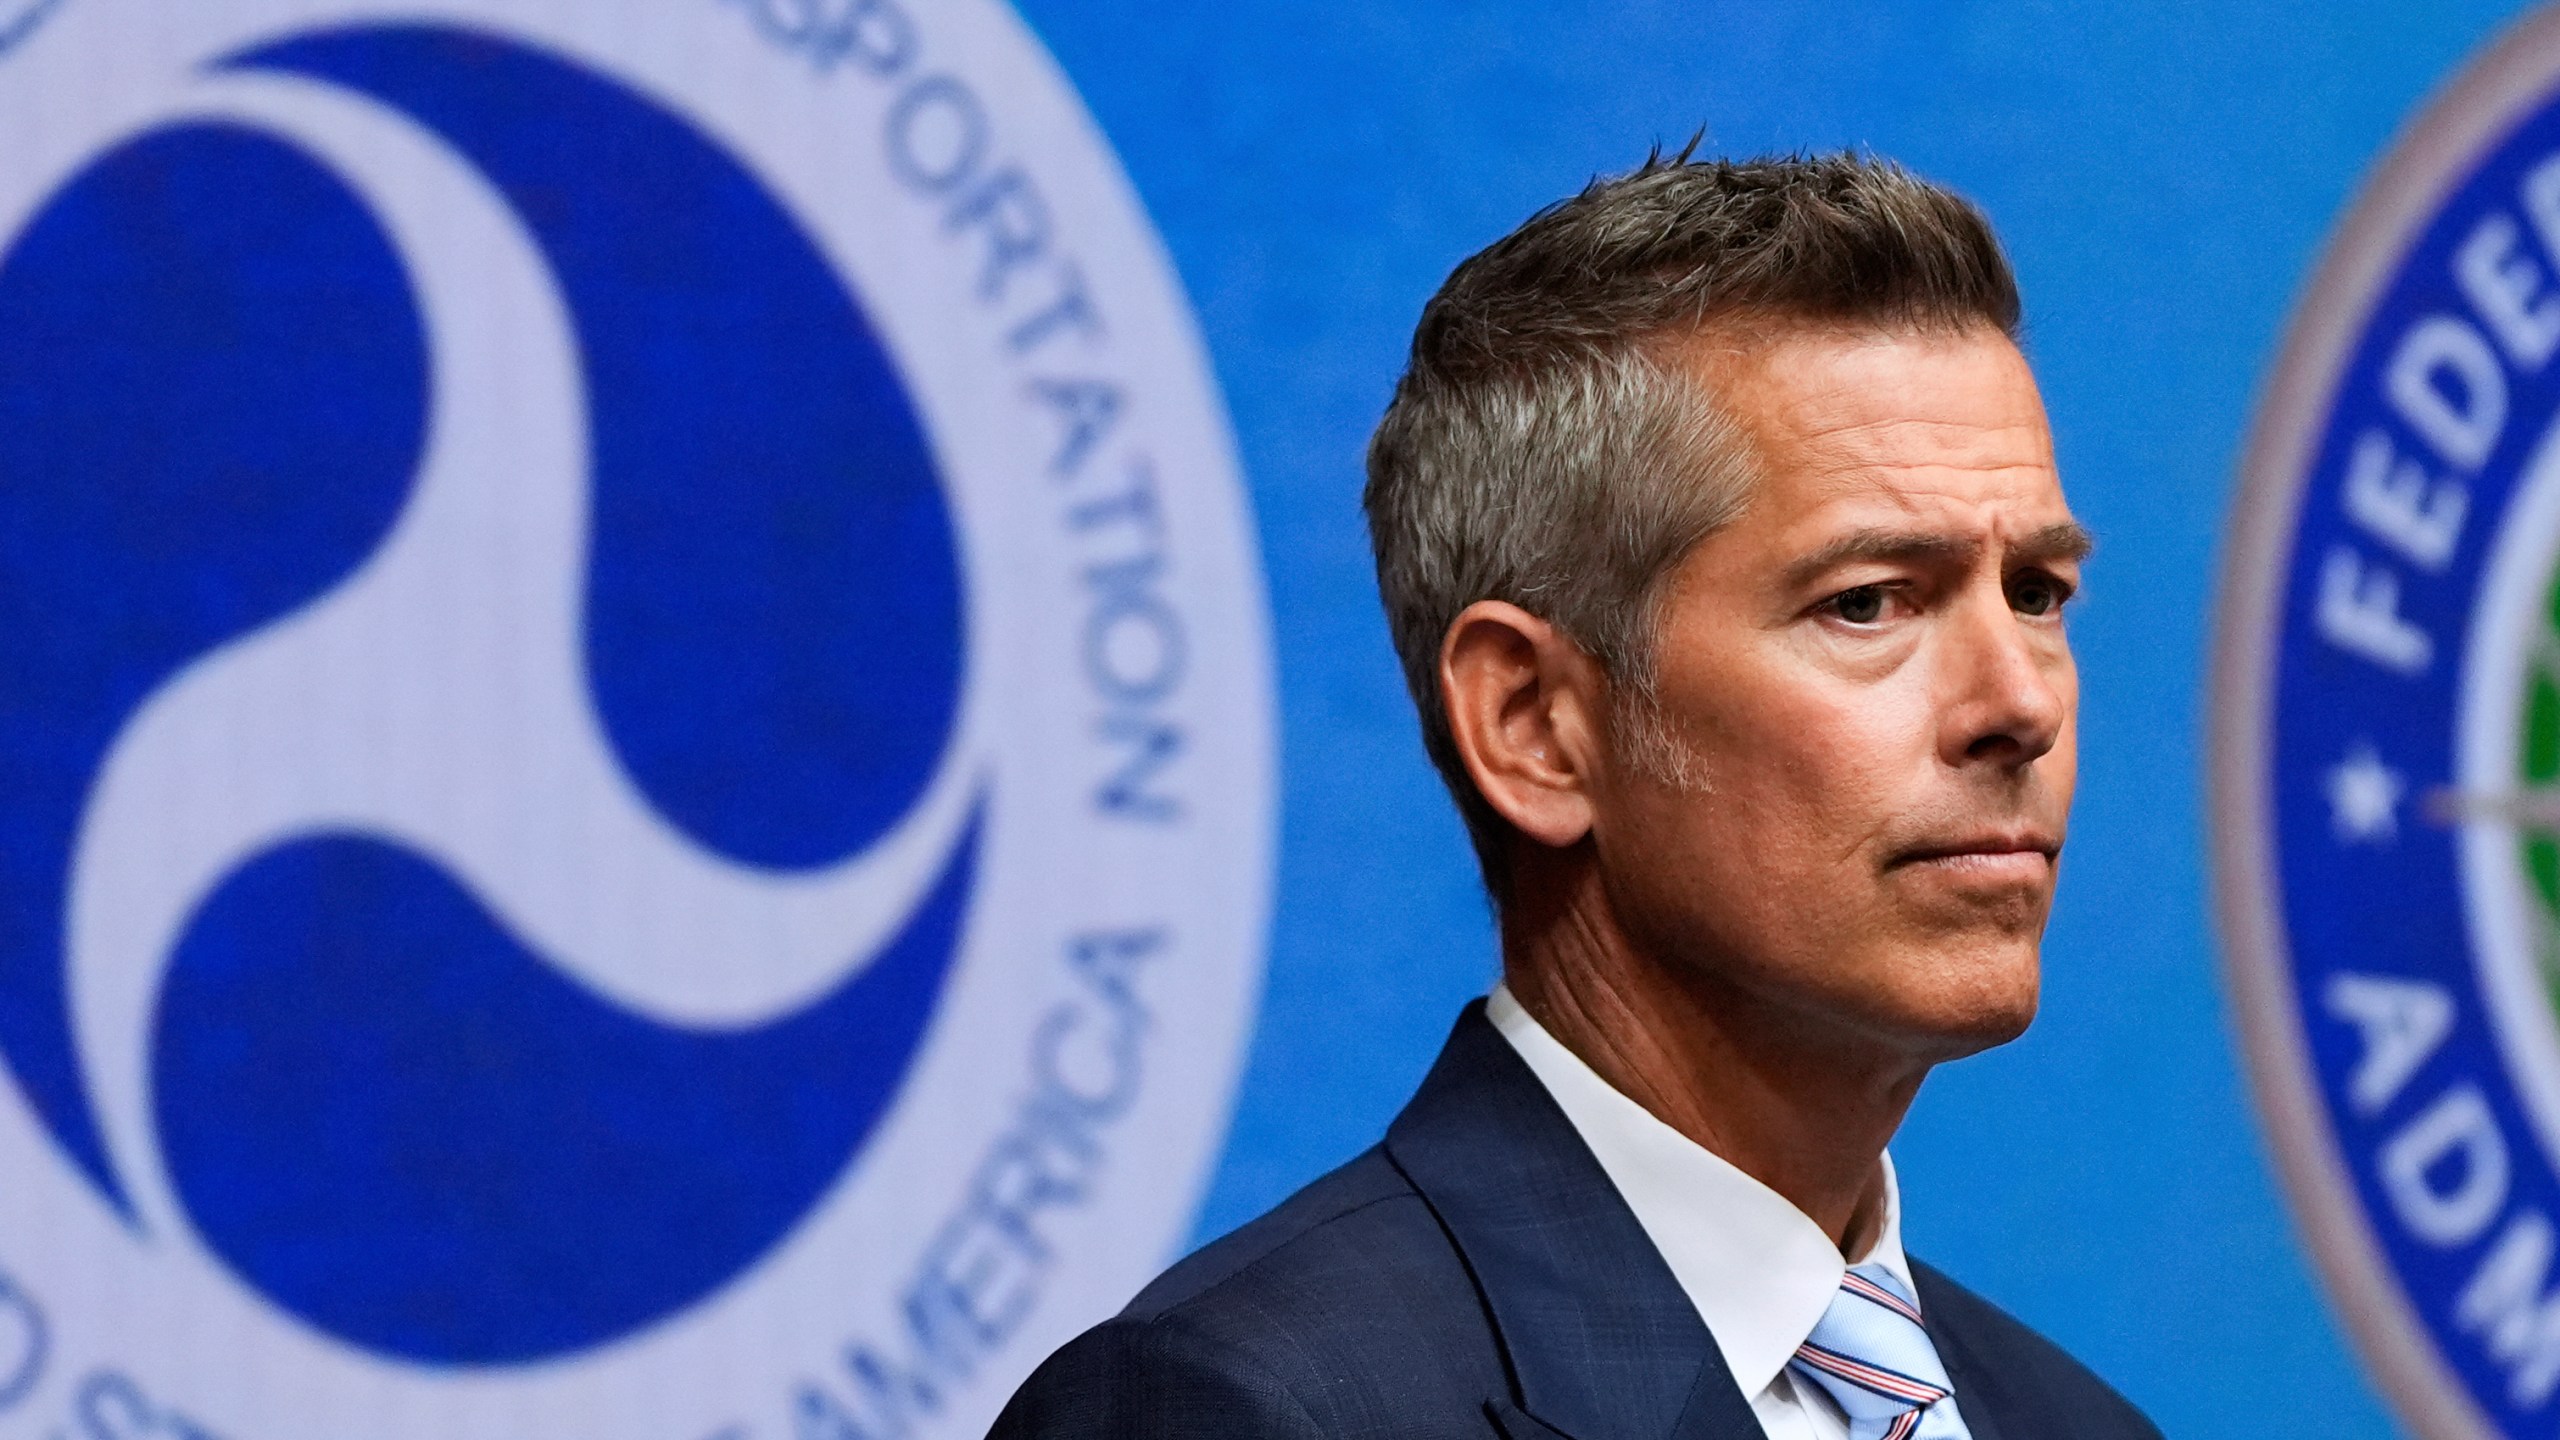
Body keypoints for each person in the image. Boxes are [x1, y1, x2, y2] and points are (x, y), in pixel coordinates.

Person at [989, 150, 2163, 1440]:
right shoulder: (1247, 1410)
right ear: (1535, 726)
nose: (2021, 704)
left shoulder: (2074, 1424)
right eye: (1868, 602)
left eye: (2038, 594)